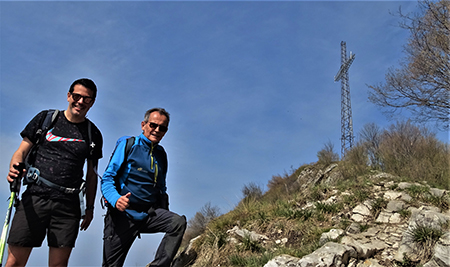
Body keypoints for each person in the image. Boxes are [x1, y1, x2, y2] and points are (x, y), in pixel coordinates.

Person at [5, 78, 103, 267]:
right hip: (35, 198)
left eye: (87, 99)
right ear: (68, 96)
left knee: (58, 265)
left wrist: (90, 208)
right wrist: (15, 166)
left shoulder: (94, 134)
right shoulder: (46, 119)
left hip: (68, 206)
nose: (81, 102)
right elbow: (21, 151)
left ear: (92, 102)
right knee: (15, 262)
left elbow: (92, 175)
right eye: (77, 96)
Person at [101, 108, 186, 267]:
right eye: (153, 125)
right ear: (143, 125)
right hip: (122, 216)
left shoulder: (161, 154)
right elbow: (107, 178)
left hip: (148, 214)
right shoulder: (128, 144)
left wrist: (164, 209)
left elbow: (161, 188)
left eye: (163, 128)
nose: (157, 130)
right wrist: (116, 199)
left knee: (177, 222)